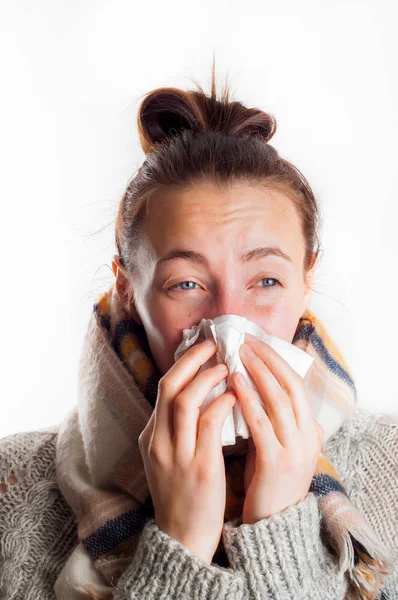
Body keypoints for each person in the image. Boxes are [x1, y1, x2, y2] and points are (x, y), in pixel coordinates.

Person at [0, 64, 397, 600]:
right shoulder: (14, 485)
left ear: (308, 281)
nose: (229, 320)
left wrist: (280, 528)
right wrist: (179, 546)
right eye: (186, 283)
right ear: (125, 288)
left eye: (266, 280)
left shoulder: (389, 466)